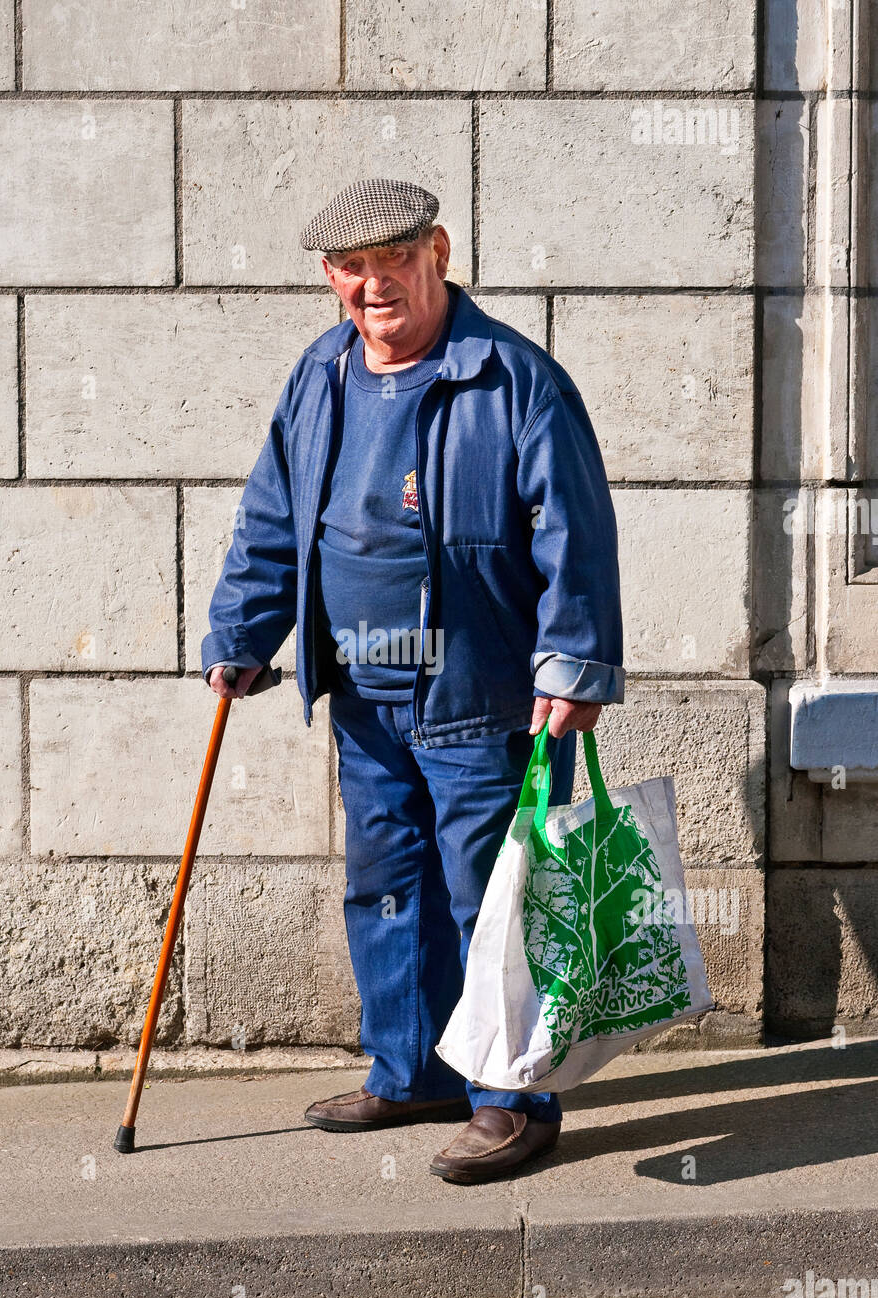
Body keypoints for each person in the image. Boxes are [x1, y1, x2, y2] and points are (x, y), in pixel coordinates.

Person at [203, 177, 625, 1183]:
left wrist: (573, 659)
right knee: (389, 888)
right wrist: (243, 631)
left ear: (437, 251)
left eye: (393, 259)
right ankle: (414, 1068)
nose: (372, 283)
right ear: (329, 278)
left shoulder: (513, 378)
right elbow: (273, 513)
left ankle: (513, 1100)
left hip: (481, 695)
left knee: (497, 898)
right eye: (352, 267)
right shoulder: (321, 374)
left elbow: (575, 532)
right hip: (365, 695)